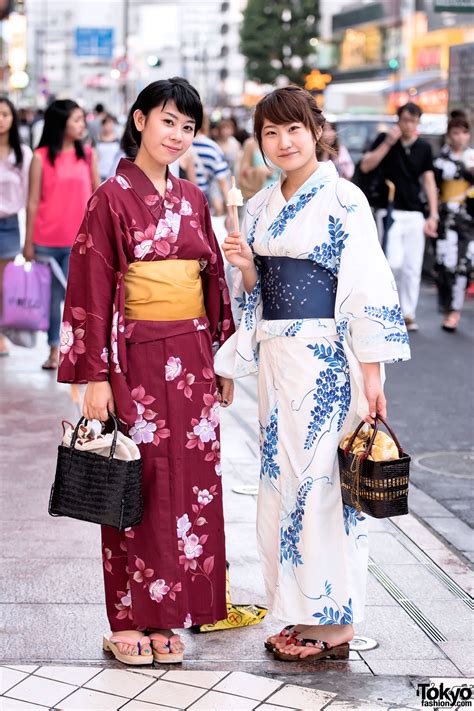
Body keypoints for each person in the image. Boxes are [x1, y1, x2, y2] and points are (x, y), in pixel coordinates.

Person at [216, 85, 410, 663]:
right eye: (270, 133)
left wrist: (372, 375)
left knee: (325, 486)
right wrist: (250, 270)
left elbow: (367, 287)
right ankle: (301, 611)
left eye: (293, 129)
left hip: (328, 360)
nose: (283, 142)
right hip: (279, 364)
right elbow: (254, 297)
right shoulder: (259, 206)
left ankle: (333, 623)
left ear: (316, 130)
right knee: (283, 486)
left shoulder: (345, 200)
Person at [57, 78, 235, 665]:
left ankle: (171, 616)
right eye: (167, 122)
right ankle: (128, 617)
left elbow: (211, 281)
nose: (177, 136)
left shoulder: (195, 198)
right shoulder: (110, 197)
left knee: (191, 486)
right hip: (133, 357)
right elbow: (91, 285)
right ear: (139, 121)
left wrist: (224, 357)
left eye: (188, 127)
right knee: (137, 483)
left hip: (192, 356)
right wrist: (95, 376)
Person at [23, 99, 99, 369]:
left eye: (82, 119)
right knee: (55, 298)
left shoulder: (88, 154)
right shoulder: (39, 157)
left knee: (80, 297)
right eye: (77, 120)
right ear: (61, 123)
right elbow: (32, 201)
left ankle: (80, 350)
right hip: (45, 240)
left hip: (79, 241)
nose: (82, 125)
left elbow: (96, 197)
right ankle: (55, 349)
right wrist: (28, 242)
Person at [359, 102, 438, 332]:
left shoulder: (423, 147)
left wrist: (433, 214)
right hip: (390, 210)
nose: (408, 125)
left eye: (413, 121)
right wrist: (388, 142)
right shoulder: (386, 140)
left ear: (418, 122)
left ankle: (408, 313)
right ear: (398, 120)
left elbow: (429, 180)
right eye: (405, 120)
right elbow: (365, 165)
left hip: (415, 212)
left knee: (413, 266)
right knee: (392, 262)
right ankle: (388, 307)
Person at [434, 111, 474, 332]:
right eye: (455, 133)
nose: (459, 137)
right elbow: (432, 188)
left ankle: (455, 310)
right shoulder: (440, 160)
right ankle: (447, 307)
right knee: (446, 263)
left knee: (464, 264)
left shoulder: (472, 157)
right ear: (449, 135)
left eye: (464, 133)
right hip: (446, 216)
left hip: (468, 217)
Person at [0, 96, 33, 356]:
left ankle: (1, 335)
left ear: (12, 119)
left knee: (4, 284)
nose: (1, 120)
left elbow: (27, 194)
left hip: (9, 224)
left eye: (5, 115)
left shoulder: (22, 153)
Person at [192, 116, 233, 230]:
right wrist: (230, 212)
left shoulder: (182, 145)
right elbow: (223, 183)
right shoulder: (212, 148)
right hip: (203, 201)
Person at [239, 135, 278, 200]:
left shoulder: (279, 141)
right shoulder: (250, 144)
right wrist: (261, 171)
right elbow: (243, 171)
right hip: (260, 191)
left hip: (279, 190)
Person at [95, 113, 121, 182]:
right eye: (106, 124)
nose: (108, 126)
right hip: (100, 173)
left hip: (113, 174)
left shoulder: (118, 140)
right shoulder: (97, 139)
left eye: (110, 123)